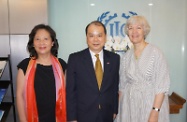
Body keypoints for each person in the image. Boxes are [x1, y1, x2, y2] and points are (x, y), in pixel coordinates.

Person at [116, 15, 170, 122]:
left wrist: (155, 112)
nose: (134, 31)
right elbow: (122, 86)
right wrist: (118, 110)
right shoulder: (126, 56)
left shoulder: (156, 53)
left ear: (144, 31)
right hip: (129, 106)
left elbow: (162, 86)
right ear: (127, 32)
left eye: (138, 28)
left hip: (150, 105)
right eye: (131, 28)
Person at [66, 21, 120, 122]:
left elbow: (115, 87)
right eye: (91, 35)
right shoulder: (75, 59)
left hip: (107, 114)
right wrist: (72, 118)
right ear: (86, 38)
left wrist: (114, 110)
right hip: (83, 115)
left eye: (99, 35)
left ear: (105, 37)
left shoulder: (114, 59)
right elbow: (70, 92)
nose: (96, 39)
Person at [16, 24, 67, 122]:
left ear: (52, 42)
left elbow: (68, 94)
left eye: (45, 39)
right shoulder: (25, 65)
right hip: (32, 118)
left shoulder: (62, 65)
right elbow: (19, 96)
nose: (41, 43)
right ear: (33, 43)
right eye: (37, 39)